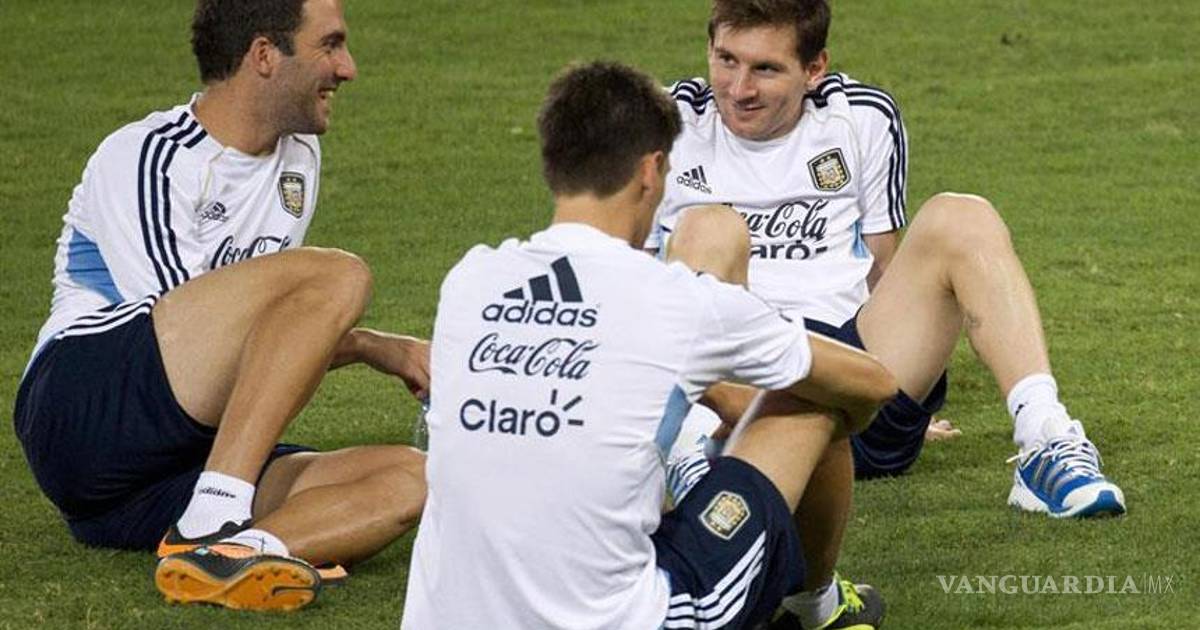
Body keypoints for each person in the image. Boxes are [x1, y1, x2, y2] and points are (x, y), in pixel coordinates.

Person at [401, 61, 896, 630]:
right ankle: (818, 609)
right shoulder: (680, 302)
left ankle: (686, 464)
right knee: (812, 402)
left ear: (552, 164)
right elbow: (874, 382)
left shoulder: (471, 279)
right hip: (626, 618)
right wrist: (775, 405)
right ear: (649, 171)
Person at [13, 0, 428, 612]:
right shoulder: (149, 155)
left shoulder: (296, 159)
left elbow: (263, 336)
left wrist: (371, 347)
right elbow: (190, 331)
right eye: (330, 45)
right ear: (264, 55)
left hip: (172, 470)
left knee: (413, 477)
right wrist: (371, 346)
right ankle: (215, 514)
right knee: (338, 276)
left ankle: (227, 556)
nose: (348, 68)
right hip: (84, 411)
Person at [650, 0, 1125, 515]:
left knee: (961, 215)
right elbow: (620, 279)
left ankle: (1045, 437)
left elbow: (884, 270)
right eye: (726, 60)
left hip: (852, 385)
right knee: (710, 227)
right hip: (731, 389)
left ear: (814, 68)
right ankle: (689, 450)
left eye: (765, 69)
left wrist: (902, 389)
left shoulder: (862, 117)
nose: (739, 89)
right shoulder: (664, 123)